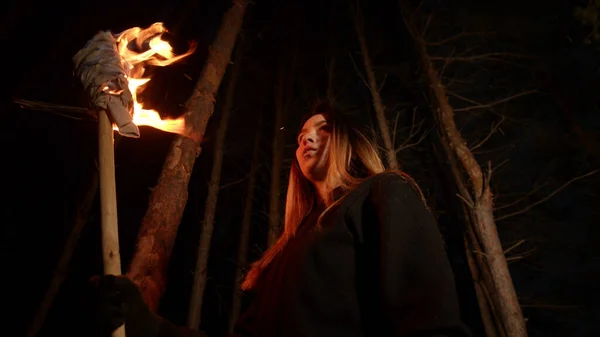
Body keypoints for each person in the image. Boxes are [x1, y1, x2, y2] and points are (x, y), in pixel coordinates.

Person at [90, 101, 473, 337]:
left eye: (322, 130)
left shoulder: (383, 193)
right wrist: (153, 330)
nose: (306, 138)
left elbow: (428, 318)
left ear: (348, 140)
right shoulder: (282, 256)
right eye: (301, 135)